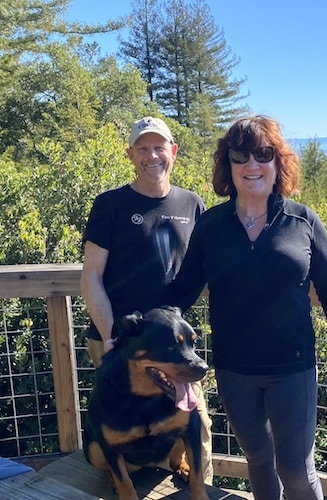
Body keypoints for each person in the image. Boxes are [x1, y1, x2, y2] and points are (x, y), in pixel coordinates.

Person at [166, 115, 327, 500]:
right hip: (235, 371)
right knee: (257, 458)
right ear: (228, 165)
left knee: (296, 469)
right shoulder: (212, 226)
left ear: (278, 162)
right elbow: (182, 291)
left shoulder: (303, 221)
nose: (252, 165)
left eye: (263, 154)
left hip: (293, 368)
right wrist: (145, 330)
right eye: (240, 156)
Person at [79, 116, 214, 485]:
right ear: (130, 154)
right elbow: (91, 275)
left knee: (195, 421)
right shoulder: (110, 204)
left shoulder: (192, 204)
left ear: (173, 152)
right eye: (142, 148)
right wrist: (111, 338)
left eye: (159, 147)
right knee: (124, 422)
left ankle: (195, 488)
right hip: (116, 341)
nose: (151, 155)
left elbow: (205, 270)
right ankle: (127, 486)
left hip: (174, 348)